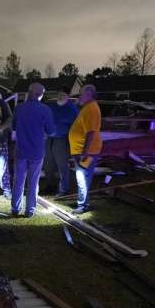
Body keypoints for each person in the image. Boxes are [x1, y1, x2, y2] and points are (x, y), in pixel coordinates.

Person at [10, 82, 56, 217]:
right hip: (36, 151)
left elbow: (13, 127)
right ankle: (30, 210)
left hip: (21, 150)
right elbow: (51, 131)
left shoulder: (19, 108)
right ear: (40, 95)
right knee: (33, 181)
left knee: (18, 181)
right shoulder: (45, 110)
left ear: (29, 93)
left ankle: (15, 209)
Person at [68, 84, 103, 214]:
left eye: (81, 93)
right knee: (81, 176)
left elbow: (91, 132)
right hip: (82, 150)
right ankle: (82, 202)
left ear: (89, 95)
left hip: (87, 151)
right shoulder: (88, 108)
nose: (79, 96)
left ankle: (82, 205)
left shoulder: (92, 109)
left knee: (82, 176)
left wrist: (84, 152)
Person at [44, 86, 79, 196]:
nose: (60, 96)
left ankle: (64, 189)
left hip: (62, 139)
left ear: (68, 96)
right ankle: (50, 186)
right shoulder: (51, 107)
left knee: (62, 165)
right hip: (48, 138)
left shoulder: (72, 109)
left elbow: (76, 126)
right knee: (48, 164)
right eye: (59, 94)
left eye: (63, 95)